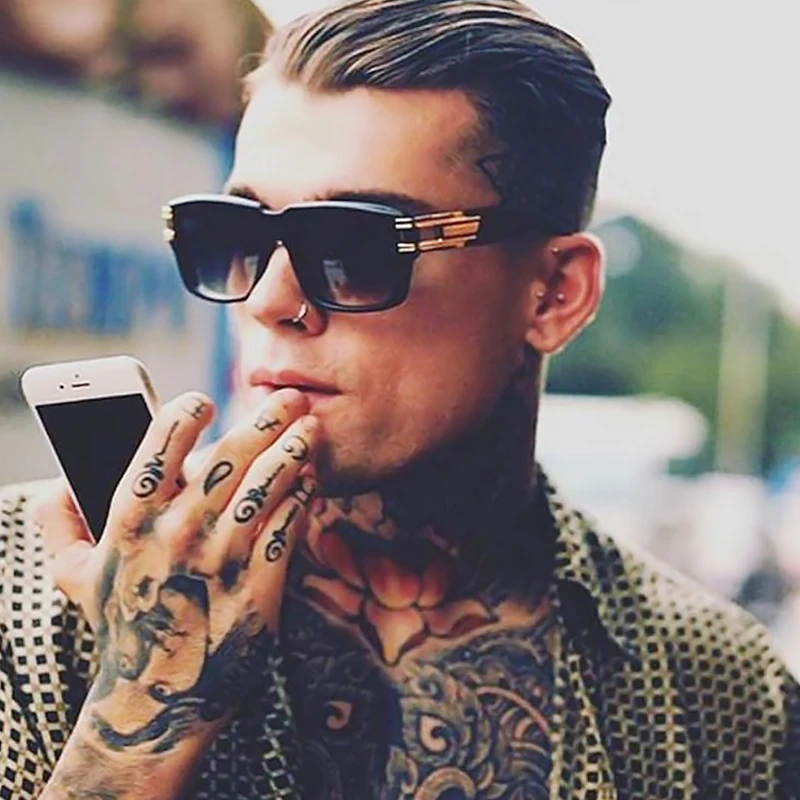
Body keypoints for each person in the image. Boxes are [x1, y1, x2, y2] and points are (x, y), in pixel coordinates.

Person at [1, 1, 797, 797]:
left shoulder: (722, 691)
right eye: (235, 235)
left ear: (555, 292)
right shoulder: (20, 594)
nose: (269, 300)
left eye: (352, 247)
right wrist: (137, 720)